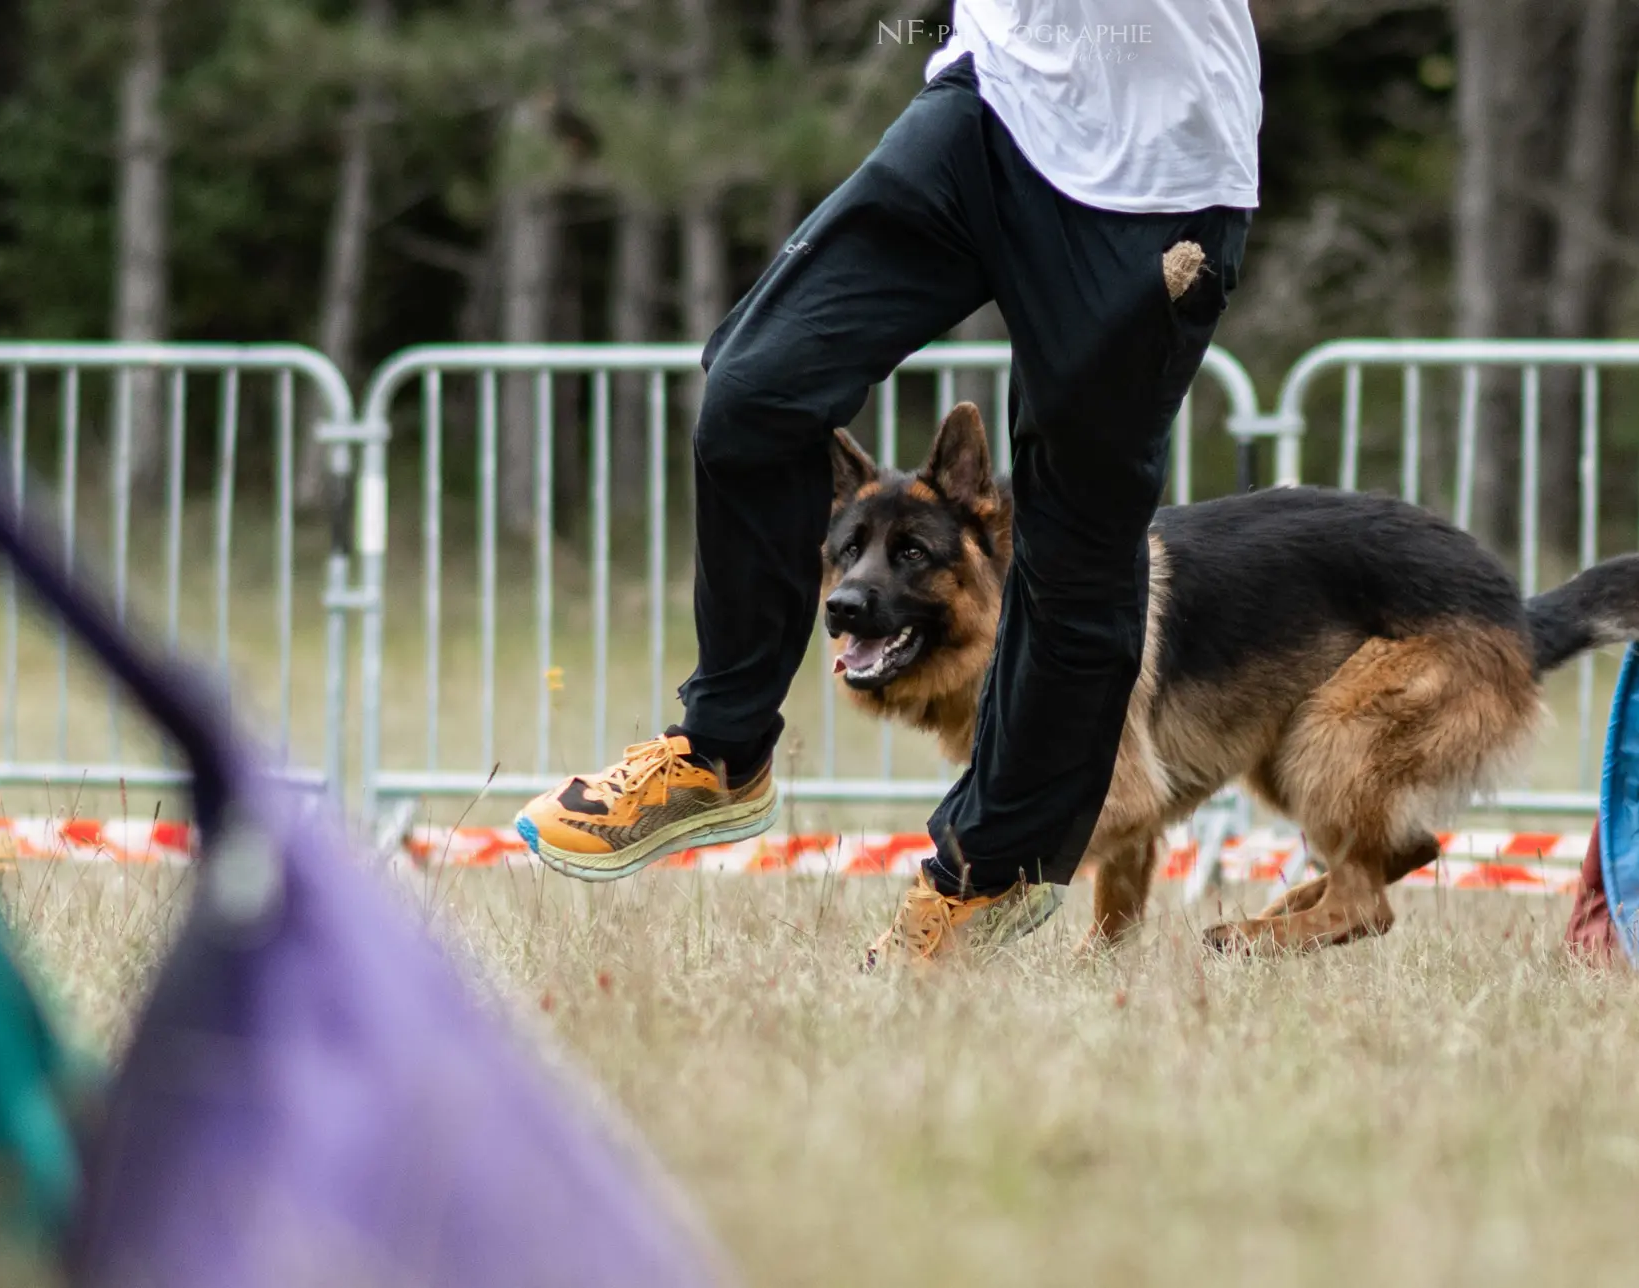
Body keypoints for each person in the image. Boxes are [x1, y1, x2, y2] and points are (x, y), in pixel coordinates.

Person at [514, 1, 1260, 965]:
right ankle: (720, 751)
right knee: (754, 390)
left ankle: (987, 870)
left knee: (1076, 540)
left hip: (1162, 168)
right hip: (991, 101)